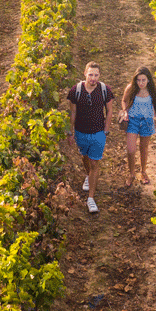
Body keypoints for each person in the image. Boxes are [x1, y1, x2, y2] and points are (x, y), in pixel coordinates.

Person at [67, 62, 114, 214]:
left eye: (96, 75)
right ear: (85, 74)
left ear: (99, 76)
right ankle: (88, 176)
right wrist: (70, 132)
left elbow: (109, 111)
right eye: (90, 75)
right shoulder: (76, 91)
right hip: (81, 132)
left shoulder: (105, 90)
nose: (93, 78)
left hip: (98, 133)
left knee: (95, 163)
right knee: (84, 156)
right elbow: (72, 113)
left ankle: (91, 198)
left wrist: (106, 130)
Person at [120, 66, 156, 186]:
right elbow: (124, 100)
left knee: (144, 148)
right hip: (132, 121)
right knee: (131, 149)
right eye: (138, 80)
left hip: (147, 122)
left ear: (148, 79)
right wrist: (125, 111)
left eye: (143, 80)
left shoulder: (153, 90)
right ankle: (131, 173)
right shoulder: (131, 88)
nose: (141, 83)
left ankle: (143, 172)